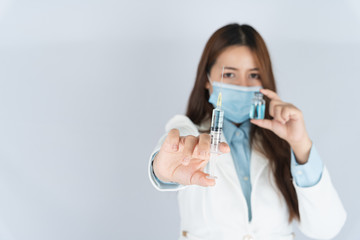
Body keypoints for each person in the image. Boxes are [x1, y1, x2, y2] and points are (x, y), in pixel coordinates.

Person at [148, 23, 346, 240]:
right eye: (230, 75)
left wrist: (301, 145)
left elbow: (326, 229)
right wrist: (161, 168)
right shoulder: (189, 131)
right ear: (207, 80)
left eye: (253, 75)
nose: (243, 85)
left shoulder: (279, 145)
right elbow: (172, 151)